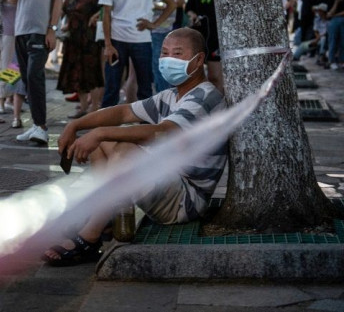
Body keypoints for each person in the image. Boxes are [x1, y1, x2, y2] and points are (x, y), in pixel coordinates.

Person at [43, 28, 227, 266]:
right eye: (165, 52)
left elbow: (165, 132)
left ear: (199, 60)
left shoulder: (204, 96)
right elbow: (125, 111)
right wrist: (76, 126)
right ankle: (104, 213)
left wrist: (100, 133)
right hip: (170, 181)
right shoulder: (171, 95)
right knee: (103, 142)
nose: (168, 59)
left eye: (178, 54)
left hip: (187, 200)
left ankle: (90, 235)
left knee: (124, 151)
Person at [100, 0, 176, 107]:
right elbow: (106, 15)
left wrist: (154, 24)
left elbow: (171, 4)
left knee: (145, 88)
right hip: (116, 40)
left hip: (141, 40)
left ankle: (145, 129)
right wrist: (107, 45)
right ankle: (104, 129)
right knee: (112, 88)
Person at [12, 0, 65, 144]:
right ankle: (35, 124)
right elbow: (14, 1)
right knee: (26, 78)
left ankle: (42, 126)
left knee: (35, 76)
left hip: (40, 30)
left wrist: (52, 29)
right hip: (20, 30)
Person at [57, 0, 103, 118]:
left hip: (89, 39)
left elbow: (106, 8)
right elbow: (63, 12)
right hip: (72, 40)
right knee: (77, 74)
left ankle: (94, 108)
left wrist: (96, 16)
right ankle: (83, 107)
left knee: (92, 74)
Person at [146, 0, 189, 92]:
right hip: (168, 32)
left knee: (159, 69)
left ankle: (163, 101)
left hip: (158, 33)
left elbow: (161, 5)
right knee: (166, 68)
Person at [185, 0, 223, 92]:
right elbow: (188, 7)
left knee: (215, 77)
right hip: (200, 36)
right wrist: (193, 15)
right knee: (196, 78)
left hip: (217, 38)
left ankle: (220, 109)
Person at [326, 0, 344, 70]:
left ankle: (342, 61)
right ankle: (332, 61)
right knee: (332, 40)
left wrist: (334, 15)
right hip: (334, 22)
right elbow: (329, 14)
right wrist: (336, 2)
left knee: (343, 41)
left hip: (341, 21)